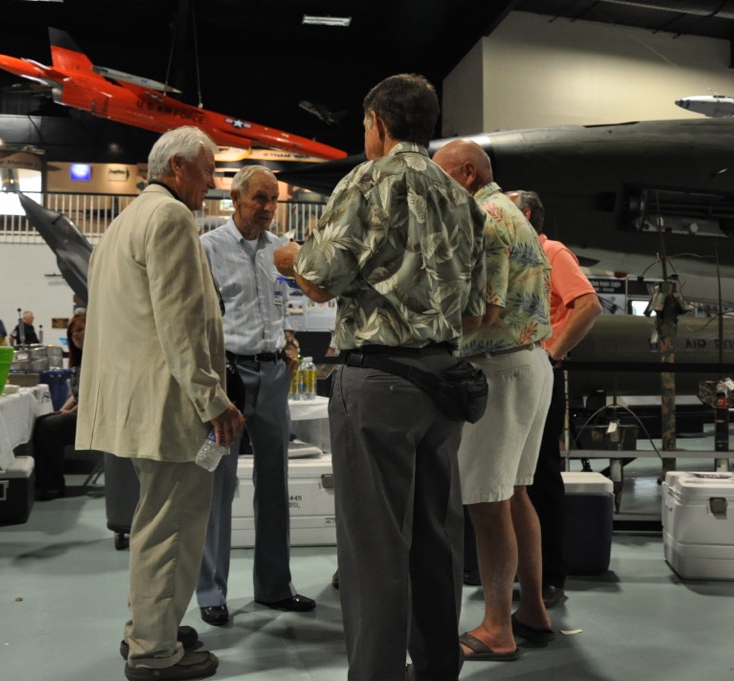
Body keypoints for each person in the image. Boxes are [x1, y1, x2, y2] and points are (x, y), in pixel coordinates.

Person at [279, 73, 487, 681]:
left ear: (378, 123)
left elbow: (321, 280)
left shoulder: (366, 181)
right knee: (436, 538)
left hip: (377, 384)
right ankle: (438, 669)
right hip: (443, 384)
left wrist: (290, 258)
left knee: (374, 547)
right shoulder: (462, 197)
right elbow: (476, 310)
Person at [74, 126, 244, 681]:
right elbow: (180, 322)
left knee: (154, 524)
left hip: (135, 404)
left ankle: (150, 627)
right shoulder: (170, 217)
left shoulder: (125, 222)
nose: (212, 181)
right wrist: (213, 399)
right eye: (208, 169)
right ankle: (154, 652)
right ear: (178, 166)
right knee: (173, 528)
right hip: (172, 406)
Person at [432, 139, 554, 662]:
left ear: (466, 173)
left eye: (440, 176)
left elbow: (482, 312)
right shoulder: (512, 210)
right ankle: (532, 610)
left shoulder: (482, 217)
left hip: (497, 368)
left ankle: (497, 628)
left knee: (486, 502)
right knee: (516, 493)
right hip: (531, 361)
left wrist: (423, 330)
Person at [195, 165, 312, 627]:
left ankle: (275, 587)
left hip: (274, 374)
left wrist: (289, 340)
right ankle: (211, 591)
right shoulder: (207, 249)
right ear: (235, 198)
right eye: (260, 198)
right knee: (218, 484)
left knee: (275, 482)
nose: (268, 207)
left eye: (274, 199)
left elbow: (284, 305)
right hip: (229, 377)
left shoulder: (281, 251)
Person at [508, 189, 602, 608]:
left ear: (527, 215)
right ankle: (519, 567)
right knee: (511, 477)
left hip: (540, 373)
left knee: (540, 475)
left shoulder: (552, 252)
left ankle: (550, 574)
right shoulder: (514, 256)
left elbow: (588, 305)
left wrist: (553, 353)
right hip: (515, 375)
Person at [31, 312, 86, 500]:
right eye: (72, 333)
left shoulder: (97, 360)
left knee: (50, 427)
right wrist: (64, 409)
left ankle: (53, 485)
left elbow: (92, 398)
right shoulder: (78, 361)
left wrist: (68, 413)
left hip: (94, 417)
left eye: (80, 330)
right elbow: (77, 395)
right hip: (81, 412)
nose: (75, 335)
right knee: (40, 422)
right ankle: (42, 480)